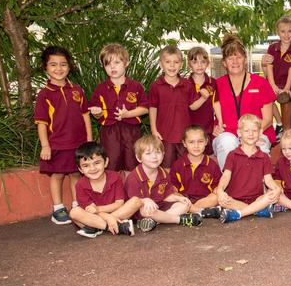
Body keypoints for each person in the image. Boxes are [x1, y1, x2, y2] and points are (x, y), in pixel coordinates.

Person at [34, 46, 93, 225]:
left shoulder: (77, 90)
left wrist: (89, 139)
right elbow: (42, 123)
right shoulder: (44, 94)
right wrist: (45, 145)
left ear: (69, 67)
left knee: (76, 173)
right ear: (45, 68)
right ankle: (58, 208)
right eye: (53, 65)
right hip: (57, 144)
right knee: (57, 174)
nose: (58, 68)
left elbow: (85, 115)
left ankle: (77, 205)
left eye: (63, 64)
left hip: (78, 143)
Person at [212, 35, 277, 169]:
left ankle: (257, 187)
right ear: (224, 62)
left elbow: (268, 119)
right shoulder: (216, 85)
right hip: (228, 133)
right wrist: (213, 127)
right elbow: (206, 114)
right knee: (227, 142)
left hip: (258, 132)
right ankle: (230, 185)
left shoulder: (260, 83)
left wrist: (249, 135)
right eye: (230, 58)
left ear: (245, 59)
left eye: (239, 57)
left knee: (258, 146)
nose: (235, 61)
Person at [124, 135, 203, 232]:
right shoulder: (134, 177)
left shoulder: (163, 174)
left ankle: (154, 222)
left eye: (158, 152)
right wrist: (144, 200)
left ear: (163, 154)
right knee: (147, 211)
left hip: (160, 208)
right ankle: (179, 220)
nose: (154, 157)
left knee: (184, 205)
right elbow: (134, 202)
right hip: (142, 211)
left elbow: (166, 195)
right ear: (139, 158)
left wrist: (179, 198)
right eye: (148, 153)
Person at [90, 44, 148, 173]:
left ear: (126, 62)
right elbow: (97, 114)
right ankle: (114, 193)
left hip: (131, 131)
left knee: (132, 165)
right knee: (111, 166)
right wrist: (97, 113)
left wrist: (128, 114)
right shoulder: (101, 89)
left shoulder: (136, 86)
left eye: (117, 62)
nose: (112, 67)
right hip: (109, 132)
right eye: (108, 64)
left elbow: (145, 108)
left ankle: (131, 192)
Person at [149, 45, 210, 168]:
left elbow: (192, 106)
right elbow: (152, 108)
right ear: (161, 64)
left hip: (184, 136)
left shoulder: (187, 85)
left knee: (185, 166)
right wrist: (154, 130)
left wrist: (203, 98)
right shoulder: (156, 86)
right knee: (166, 167)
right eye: (168, 62)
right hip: (165, 135)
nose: (172, 66)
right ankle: (167, 187)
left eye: (176, 62)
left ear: (181, 64)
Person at [215, 115, 282, 223]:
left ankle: (239, 214)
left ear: (260, 132)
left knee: (270, 196)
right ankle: (257, 210)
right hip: (234, 199)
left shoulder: (264, 157)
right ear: (239, 133)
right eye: (246, 131)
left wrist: (277, 188)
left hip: (257, 199)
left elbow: (268, 180)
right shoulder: (232, 155)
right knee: (223, 201)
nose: (251, 134)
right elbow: (226, 176)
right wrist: (220, 190)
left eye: (254, 131)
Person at [69, 142, 141, 238]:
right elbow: (89, 210)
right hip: (94, 217)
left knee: (136, 201)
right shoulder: (80, 185)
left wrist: (100, 210)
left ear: (106, 162)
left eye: (97, 163)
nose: (92, 168)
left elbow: (119, 203)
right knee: (74, 212)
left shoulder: (115, 177)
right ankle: (119, 227)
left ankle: (97, 228)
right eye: (86, 165)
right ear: (80, 169)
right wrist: (107, 217)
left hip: (115, 213)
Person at [169, 125, 223, 219]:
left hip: (205, 199)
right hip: (185, 199)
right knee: (172, 197)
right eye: (191, 142)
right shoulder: (178, 165)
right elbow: (173, 187)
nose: (196, 146)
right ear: (184, 143)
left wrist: (220, 193)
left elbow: (216, 187)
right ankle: (201, 212)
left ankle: (193, 210)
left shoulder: (212, 165)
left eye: (200, 141)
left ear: (206, 141)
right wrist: (178, 197)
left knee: (216, 197)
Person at [261, 16, 291, 131]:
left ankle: (286, 126)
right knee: (267, 98)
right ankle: (279, 123)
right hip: (273, 80)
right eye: (283, 31)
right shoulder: (272, 48)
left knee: (285, 98)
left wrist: (287, 88)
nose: (286, 35)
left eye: (290, 31)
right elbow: (269, 66)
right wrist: (272, 85)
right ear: (278, 32)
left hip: (286, 83)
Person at [187, 46, 220, 155]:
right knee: (192, 156)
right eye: (195, 62)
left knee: (208, 156)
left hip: (208, 128)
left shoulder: (212, 82)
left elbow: (216, 103)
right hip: (190, 129)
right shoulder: (186, 84)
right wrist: (203, 98)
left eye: (203, 62)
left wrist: (220, 121)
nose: (199, 65)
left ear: (208, 63)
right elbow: (191, 106)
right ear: (189, 64)